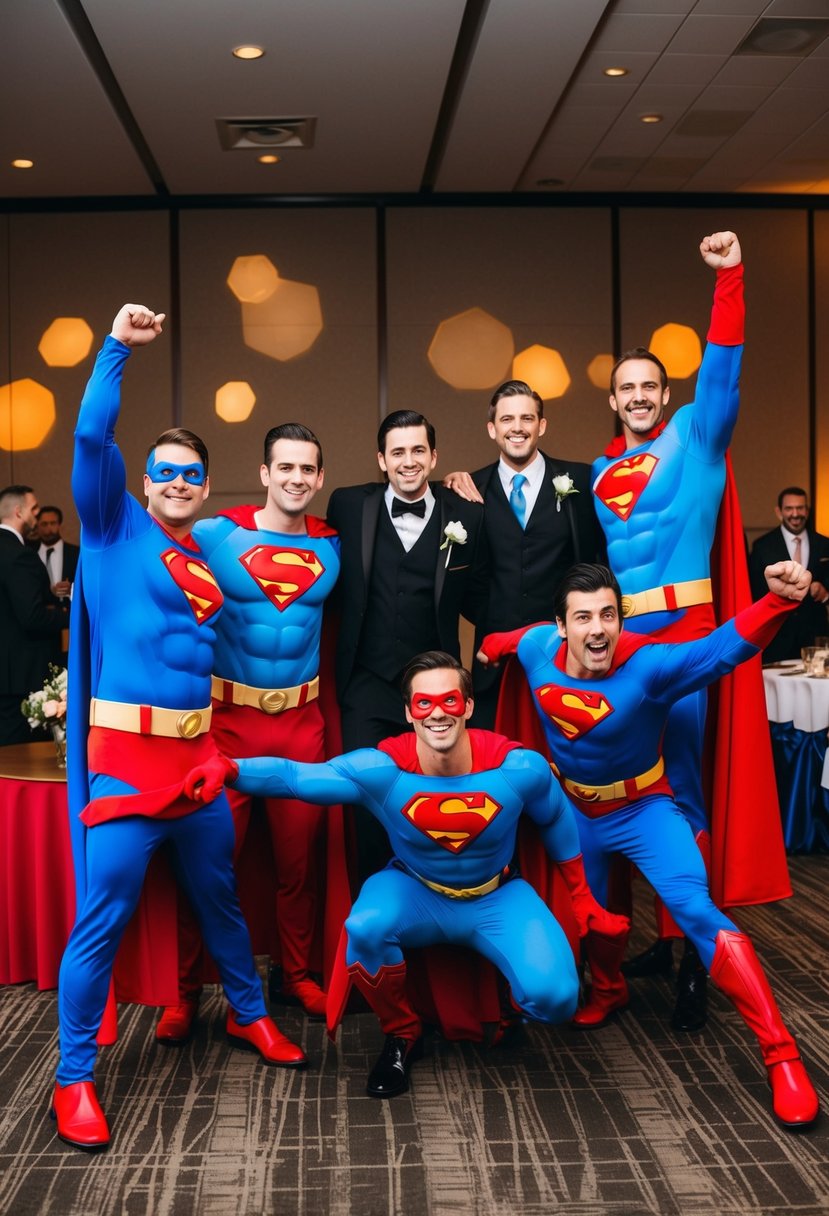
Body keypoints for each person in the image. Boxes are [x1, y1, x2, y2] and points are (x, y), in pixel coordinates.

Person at [53, 304, 306, 1154]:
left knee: (221, 899)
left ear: (205, 483)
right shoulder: (111, 525)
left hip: (198, 759)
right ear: (146, 475)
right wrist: (117, 347)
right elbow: (92, 436)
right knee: (102, 916)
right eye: (163, 468)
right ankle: (73, 1077)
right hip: (127, 762)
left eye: (191, 473)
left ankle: (248, 1015)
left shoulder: (204, 557)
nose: (176, 480)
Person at [186, 650, 628, 1100]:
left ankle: (502, 1004)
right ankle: (401, 1032)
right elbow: (295, 778)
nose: (438, 713)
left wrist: (581, 894)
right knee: (366, 926)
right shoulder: (382, 771)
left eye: (450, 701)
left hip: (497, 897)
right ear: (408, 712)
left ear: (469, 706)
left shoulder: (517, 769)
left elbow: (555, 818)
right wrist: (232, 768)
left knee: (557, 999)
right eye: (424, 703)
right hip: (416, 890)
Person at [478, 560, 819, 1129]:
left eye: (608, 615)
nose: (596, 630)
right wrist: (489, 650)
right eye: (582, 616)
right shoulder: (538, 648)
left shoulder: (650, 665)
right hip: (575, 814)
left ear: (621, 618)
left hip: (645, 808)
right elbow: (504, 641)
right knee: (590, 914)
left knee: (696, 911)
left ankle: (781, 1053)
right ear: (560, 626)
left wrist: (778, 603)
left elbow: (721, 651)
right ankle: (608, 989)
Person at [589, 230, 788, 1034]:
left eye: (649, 386)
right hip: (622, 644)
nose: (637, 397)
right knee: (622, 789)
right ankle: (655, 944)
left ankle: (691, 958)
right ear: (611, 400)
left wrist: (730, 278)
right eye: (625, 388)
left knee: (683, 795)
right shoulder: (597, 472)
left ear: (666, 394)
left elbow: (727, 365)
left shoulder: (696, 441)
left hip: (686, 630)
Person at [155, 422, 348, 1040]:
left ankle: (294, 975)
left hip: (302, 722)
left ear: (319, 479)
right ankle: (183, 990)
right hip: (228, 725)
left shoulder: (336, 545)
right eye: (283, 468)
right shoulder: (214, 535)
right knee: (205, 862)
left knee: (300, 865)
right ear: (265, 474)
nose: (295, 479)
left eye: (307, 470)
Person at [326, 410, 488, 881]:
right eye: (397, 452)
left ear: (434, 456)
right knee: (366, 800)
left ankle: (432, 910)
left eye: (419, 450)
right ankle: (375, 918)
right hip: (366, 683)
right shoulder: (348, 505)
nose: (409, 461)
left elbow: (481, 596)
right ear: (381, 459)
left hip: (434, 690)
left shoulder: (467, 514)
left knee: (433, 803)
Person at [443, 380, 604, 727]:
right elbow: (458, 577)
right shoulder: (468, 489)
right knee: (496, 765)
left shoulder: (580, 480)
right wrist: (490, 617)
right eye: (507, 419)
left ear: (541, 425)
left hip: (566, 655)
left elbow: (595, 560)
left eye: (527, 419)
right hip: (492, 662)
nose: (517, 428)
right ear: (492, 428)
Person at [0, 485, 69, 745]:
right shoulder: (19, 555)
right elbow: (32, 618)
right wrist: (72, 616)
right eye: (34, 508)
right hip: (18, 675)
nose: (37, 515)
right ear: (19, 512)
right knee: (17, 755)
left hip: (7, 673)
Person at [749, 487, 829, 661]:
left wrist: (825, 594)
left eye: (800, 508)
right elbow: (754, 593)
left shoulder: (824, 544)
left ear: (807, 511)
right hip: (777, 639)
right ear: (779, 512)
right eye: (789, 508)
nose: (795, 514)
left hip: (815, 640)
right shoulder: (762, 547)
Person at [36, 504, 79, 600]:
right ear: (37, 525)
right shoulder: (31, 553)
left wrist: (71, 589)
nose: (49, 529)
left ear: (59, 525)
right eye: (44, 524)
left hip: (68, 611)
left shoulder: (76, 553)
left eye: (53, 523)